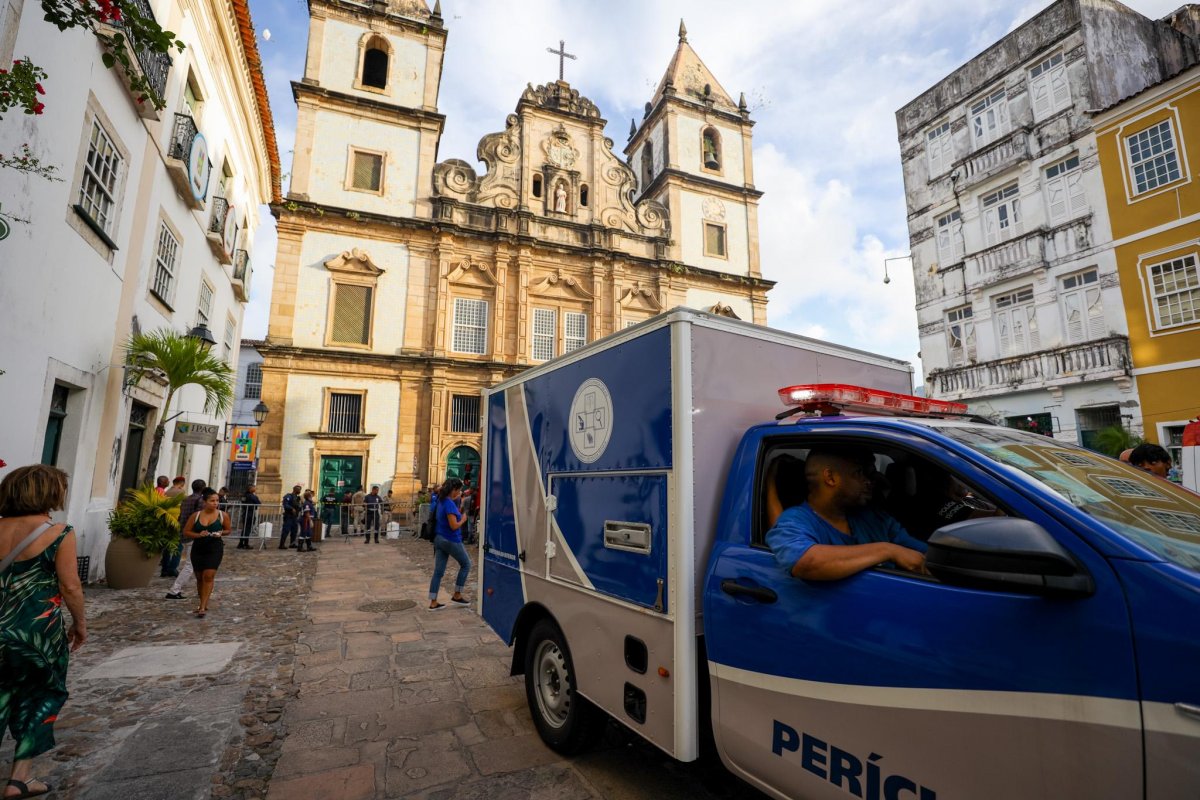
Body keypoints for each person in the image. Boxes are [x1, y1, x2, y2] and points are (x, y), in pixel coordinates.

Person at [0, 465, 87, 800]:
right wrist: (79, 623)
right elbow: (70, 585)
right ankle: (19, 778)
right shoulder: (59, 533)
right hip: (35, 631)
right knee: (40, 696)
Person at [766, 446, 927, 581]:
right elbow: (806, 562)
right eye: (859, 473)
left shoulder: (873, 517)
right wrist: (888, 551)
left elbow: (924, 554)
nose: (869, 481)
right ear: (830, 477)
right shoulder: (795, 520)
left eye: (869, 473)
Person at [182, 488, 230, 618]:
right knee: (199, 577)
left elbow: (228, 530)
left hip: (214, 548)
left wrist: (220, 533)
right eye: (212, 500)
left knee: (208, 576)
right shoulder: (196, 516)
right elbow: (186, 531)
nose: (215, 503)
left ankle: (203, 606)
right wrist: (198, 534)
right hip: (198, 547)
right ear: (204, 502)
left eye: (217, 501)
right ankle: (202, 600)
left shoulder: (222, 515)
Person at [427, 478, 471, 610]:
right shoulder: (449, 504)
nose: (460, 492)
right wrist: (463, 519)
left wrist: (461, 501)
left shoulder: (441, 500)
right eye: (458, 490)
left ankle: (433, 602)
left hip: (439, 538)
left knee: (438, 572)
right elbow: (453, 526)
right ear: (454, 490)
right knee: (466, 564)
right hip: (451, 539)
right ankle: (457, 594)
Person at [164, 478, 205, 590]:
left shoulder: (186, 499)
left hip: (183, 531)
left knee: (194, 563)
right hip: (193, 534)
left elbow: (181, 514)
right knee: (190, 565)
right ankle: (175, 589)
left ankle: (202, 587)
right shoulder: (200, 501)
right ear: (203, 488)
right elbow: (198, 518)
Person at [237, 485, 260, 549]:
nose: (255, 488)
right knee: (247, 529)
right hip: (250, 513)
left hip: (245, 513)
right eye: (254, 487)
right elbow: (258, 503)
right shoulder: (252, 496)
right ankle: (246, 544)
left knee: (244, 529)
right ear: (250, 489)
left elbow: (243, 502)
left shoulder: (244, 495)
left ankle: (241, 543)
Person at [280, 484, 301, 549]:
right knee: (286, 530)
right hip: (288, 516)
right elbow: (285, 504)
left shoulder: (297, 498)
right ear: (295, 489)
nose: (300, 491)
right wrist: (291, 508)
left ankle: (292, 543)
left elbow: (298, 506)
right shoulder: (288, 496)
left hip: (295, 517)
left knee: (295, 530)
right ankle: (281, 544)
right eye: (299, 490)